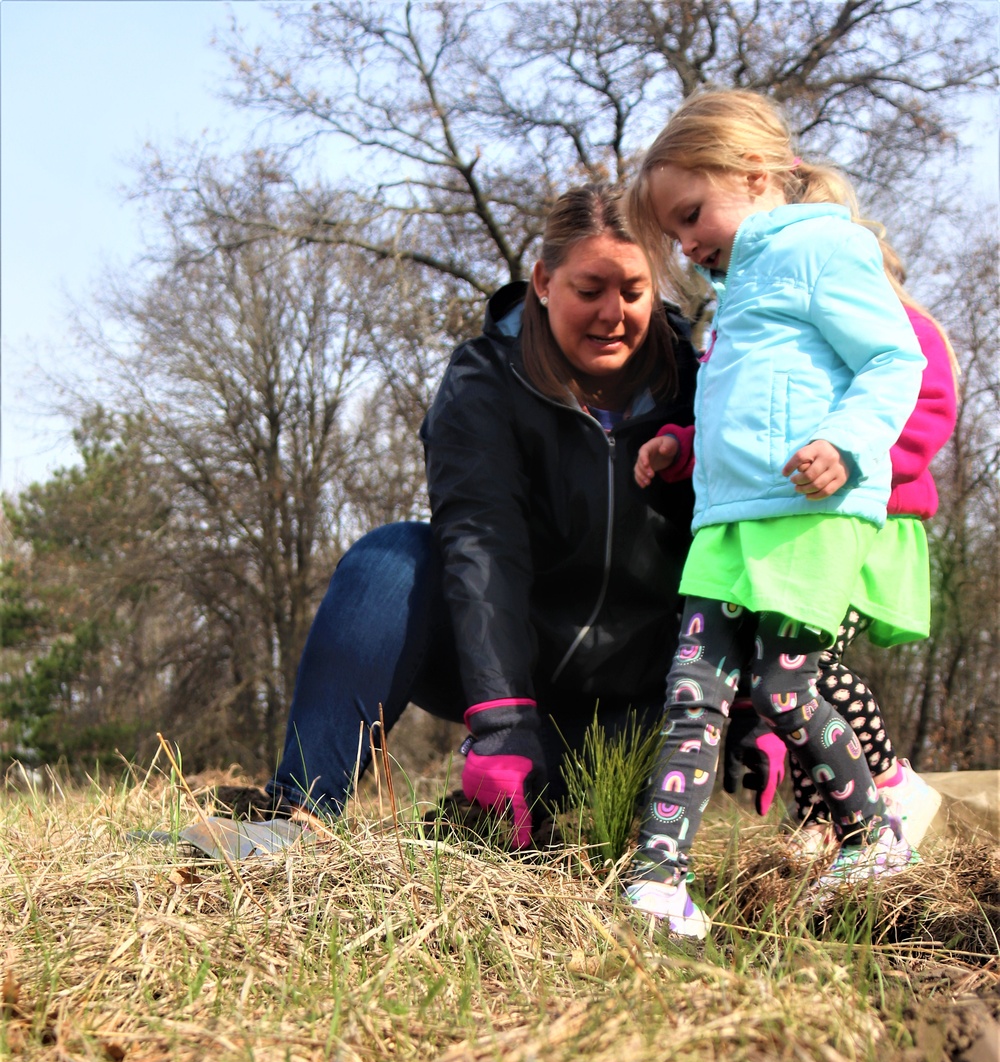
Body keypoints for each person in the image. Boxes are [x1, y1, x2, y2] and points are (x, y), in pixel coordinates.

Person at [214, 184, 700, 836]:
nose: (613, 314)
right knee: (390, 560)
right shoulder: (485, 380)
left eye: (634, 292)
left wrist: (754, 698)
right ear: (544, 282)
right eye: (589, 290)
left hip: (644, 703)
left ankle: (510, 819)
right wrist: (503, 716)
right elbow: (481, 541)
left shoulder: (700, 380)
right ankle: (298, 813)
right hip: (515, 681)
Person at [622, 88, 925, 937]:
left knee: (783, 689)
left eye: (690, 215)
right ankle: (657, 882)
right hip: (727, 521)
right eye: (675, 230)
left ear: (753, 174)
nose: (685, 243)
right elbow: (757, 400)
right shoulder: (738, 284)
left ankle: (874, 832)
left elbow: (892, 361)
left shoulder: (824, 248)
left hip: (808, 512)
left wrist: (848, 444)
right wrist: (684, 445)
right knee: (693, 691)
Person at [648, 240, 959, 852]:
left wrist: (852, 461)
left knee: (802, 674)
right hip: (799, 526)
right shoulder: (778, 333)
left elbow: (925, 415)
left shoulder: (900, 328)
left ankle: (887, 781)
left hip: (868, 527)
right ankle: (821, 813)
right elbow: (741, 422)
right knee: (783, 672)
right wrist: (685, 449)